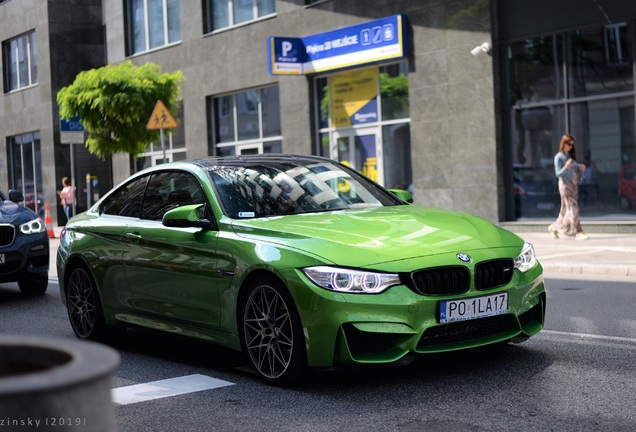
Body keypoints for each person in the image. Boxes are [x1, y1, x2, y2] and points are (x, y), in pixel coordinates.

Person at [548, 134, 588, 240]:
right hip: (565, 185)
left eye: (572, 145)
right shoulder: (558, 157)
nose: (570, 146)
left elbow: (576, 174)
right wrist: (566, 167)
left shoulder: (569, 157)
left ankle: (555, 227)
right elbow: (558, 174)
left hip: (573, 185)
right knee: (572, 206)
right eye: (569, 144)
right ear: (563, 143)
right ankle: (577, 231)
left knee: (565, 209)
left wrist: (580, 169)